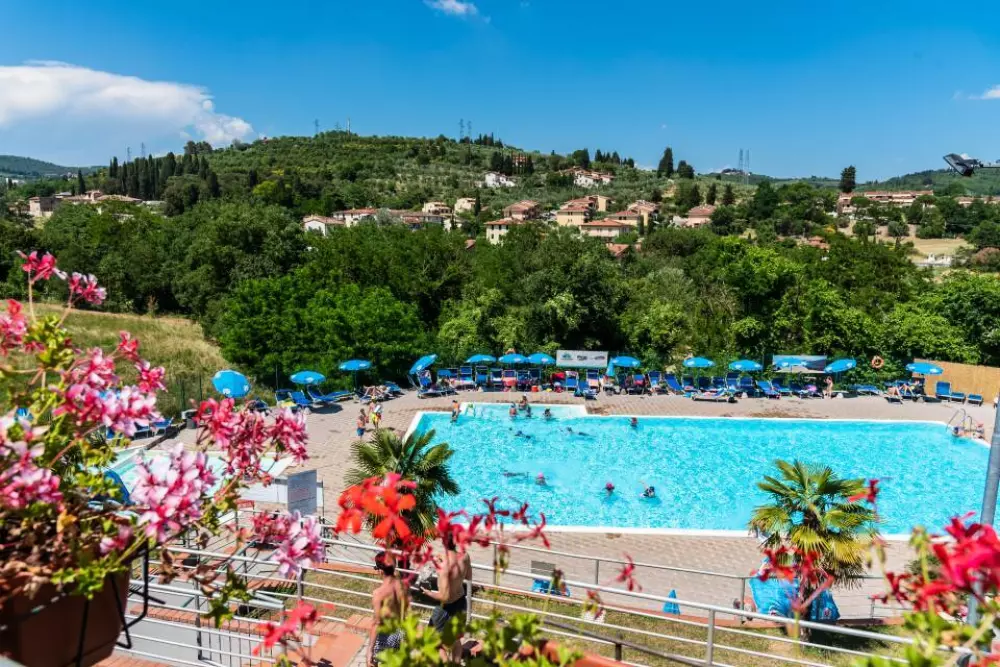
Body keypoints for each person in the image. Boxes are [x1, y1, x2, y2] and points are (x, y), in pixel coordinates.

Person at [422, 532, 472, 661]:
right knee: (456, 640)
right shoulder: (465, 556)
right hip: (460, 601)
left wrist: (428, 593)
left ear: (443, 542)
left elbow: (444, 596)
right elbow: (468, 576)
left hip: (445, 607)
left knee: (434, 640)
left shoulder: (444, 567)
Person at [368, 552, 407, 666]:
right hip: (400, 632)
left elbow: (377, 623)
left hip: (386, 636)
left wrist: (370, 650)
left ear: (380, 571)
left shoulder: (378, 594)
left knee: (377, 662)